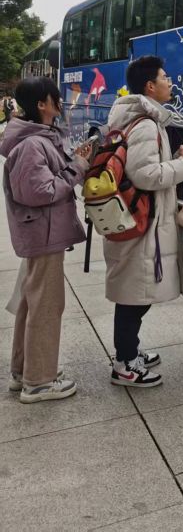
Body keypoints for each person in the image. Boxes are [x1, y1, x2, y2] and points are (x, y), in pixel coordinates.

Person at [1, 77, 92, 403]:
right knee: (46, 307)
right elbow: (40, 191)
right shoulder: (31, 144)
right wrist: (77, 168)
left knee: (32, 302)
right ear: (42, 104)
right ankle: (38, 382)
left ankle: (23, 371)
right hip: (42, 233)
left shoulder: (37, 139)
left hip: (42, 231)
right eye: (55, 97)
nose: (60, 101)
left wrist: (71, 162)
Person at [103, 55, 183, 388]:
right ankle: (124, 363)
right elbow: (145, 174)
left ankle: (130, 351)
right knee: (133, 296)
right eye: (165, 77)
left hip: (138, 219)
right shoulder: (144, 124)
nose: (171, 82)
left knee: (135, 292)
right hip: (141, 223)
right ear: (150, 86)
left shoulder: (138, 119)